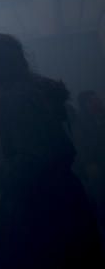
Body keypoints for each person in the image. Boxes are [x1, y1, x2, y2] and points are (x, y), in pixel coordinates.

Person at [0, 33, 103, 268]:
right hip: (63, 206)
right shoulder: (33, 92)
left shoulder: (15, 99)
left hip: (41, 216)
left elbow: (33, 159)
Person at [75, 90, 105, 244]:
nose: (97, 102)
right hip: (98, 173)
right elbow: (84, 150)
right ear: (85, 105)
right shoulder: (83, 126)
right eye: (92, 100)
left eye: (97, 98)